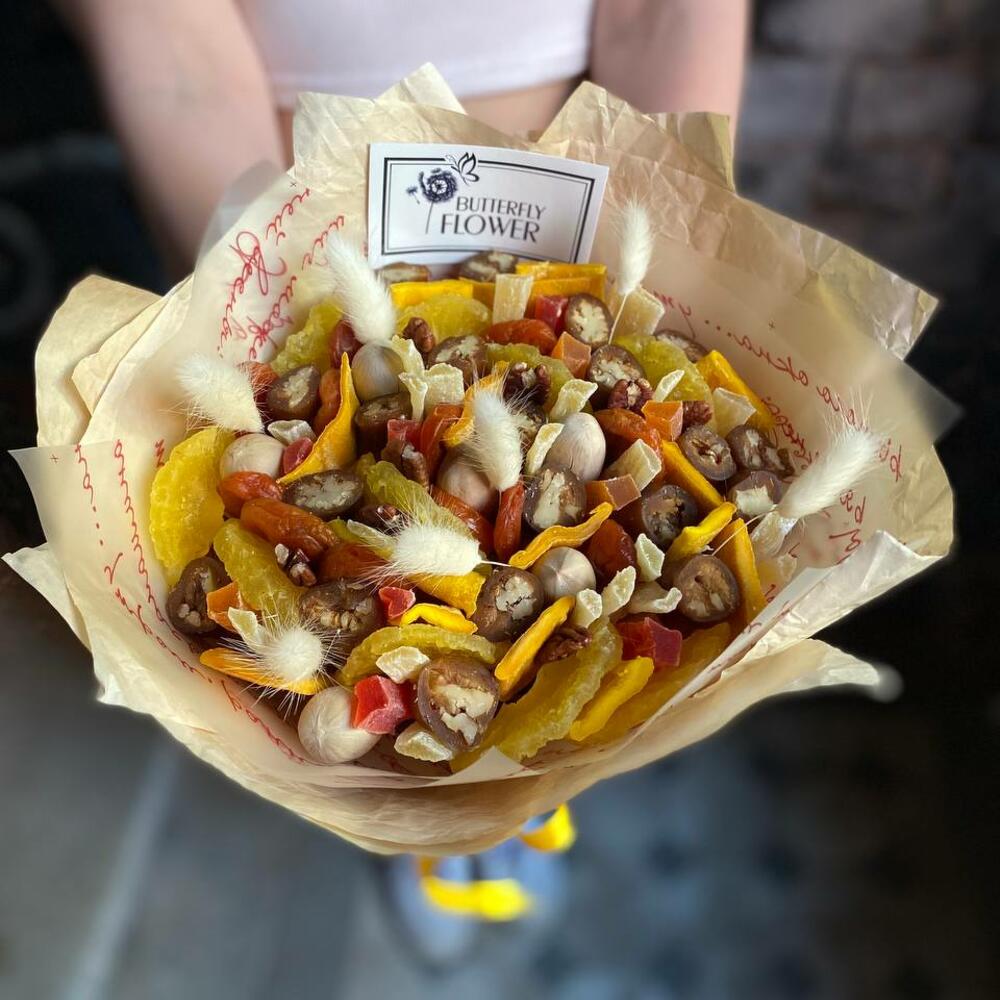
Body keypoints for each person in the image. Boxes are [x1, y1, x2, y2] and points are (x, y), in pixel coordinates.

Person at [55, 0, 749, 964]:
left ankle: (511, 796)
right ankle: (426, 821)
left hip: (581, 215)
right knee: (355, 690)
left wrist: (667, 240)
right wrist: (252, 274)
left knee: (579, 664)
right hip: (277, 214)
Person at [56, 0, 748, 274]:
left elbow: (660, 13)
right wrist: (269, 296)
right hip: (271, 228)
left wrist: (657, 263)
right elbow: (179, 52)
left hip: (593, 222)